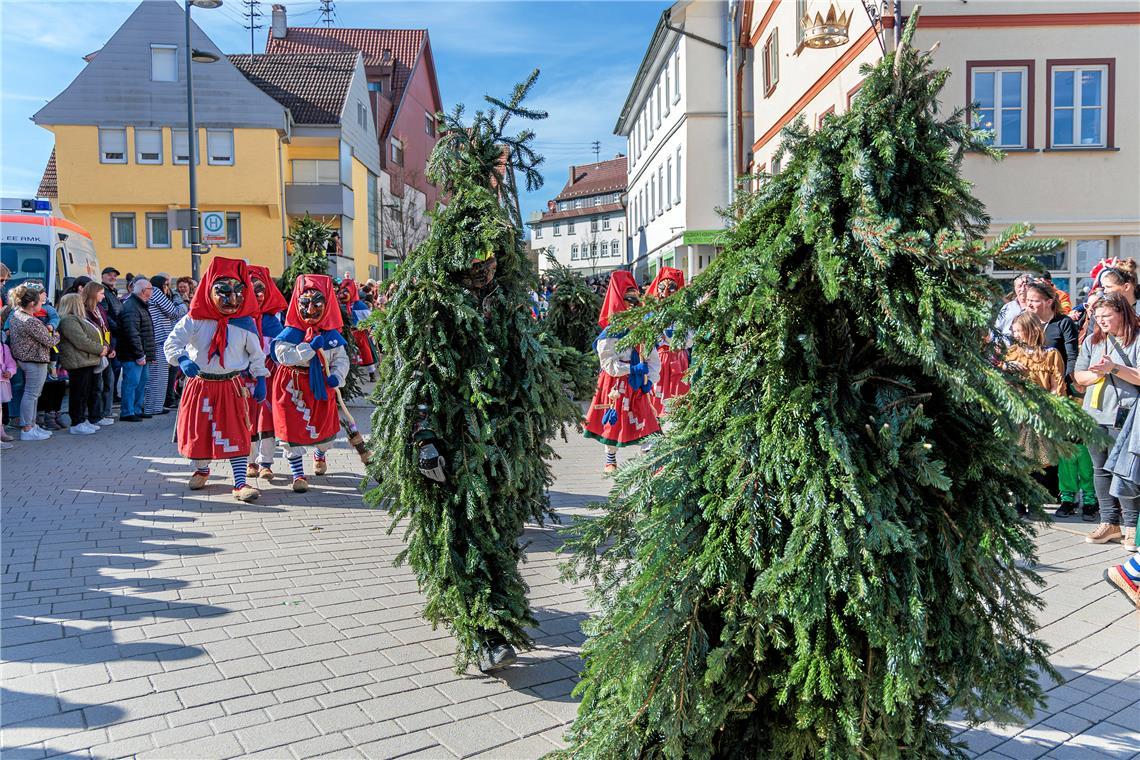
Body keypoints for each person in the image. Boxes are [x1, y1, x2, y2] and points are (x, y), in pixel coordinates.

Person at [163, 257, 267, 502]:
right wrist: (182, 359)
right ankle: (201, 469)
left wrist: (260, 377)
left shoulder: (245, 322)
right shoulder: (195, 319)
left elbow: (256, 354)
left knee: (236, 432)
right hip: (200, 385)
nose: (232, 300)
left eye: (238, 293)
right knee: (200, 431)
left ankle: (241, 483)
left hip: (231, 385)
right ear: (210, 291)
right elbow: (172, 342)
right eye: (224, 292)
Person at [1073, 292, 1140, 549]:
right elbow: (1079, 376)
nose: (1101, 320)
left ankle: (1132, 526)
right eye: (1097, 316)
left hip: (1126, 414)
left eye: (1107, 315)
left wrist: (1113, 368)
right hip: (1095, 413)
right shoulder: (1092, 340)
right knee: (1099, 469)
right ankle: (1109, 522)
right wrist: (1097, 373)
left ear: (1122, 312)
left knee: (1125, 470)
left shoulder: (1136, 339)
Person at [271, 275, 349, 492]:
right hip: (291, 385)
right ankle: (297, 474)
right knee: (289, 429)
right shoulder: (290, 332)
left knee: (322, 430)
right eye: (305, 303)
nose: (311, 308)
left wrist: (337, 375)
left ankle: (320, 454)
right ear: (297, 303)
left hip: (320, 385)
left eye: (317, 303)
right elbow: (282, 355)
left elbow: (341, 359)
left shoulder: (331, 335)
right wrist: (308, 349)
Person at [584, 270, 661, 472]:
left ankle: (650, 458)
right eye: (628, 300)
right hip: (616, 383)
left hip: (638, 381)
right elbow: (607, 363)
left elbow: (653, 357)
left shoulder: (643, 328)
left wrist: (650, 379)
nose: (633, 305)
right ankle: (610, 458)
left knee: (646, 417)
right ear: (620, 301)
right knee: (615, 419)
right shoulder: (610, 333)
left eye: (636, 300)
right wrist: (631, 368)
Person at [246, 265, 287, 480]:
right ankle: (249, 461)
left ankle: (266, 462)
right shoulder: (239, 318)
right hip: (244, 375)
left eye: (261, 290)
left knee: (267, 419)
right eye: (253, 290)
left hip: (269, 374)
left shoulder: (272, 320)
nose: (258, 295)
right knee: (247, 419)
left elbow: (280, 346)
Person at [7, 285, 60, 440]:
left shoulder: (16, 315)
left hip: (25, 359)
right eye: (39, 303)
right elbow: (49, 341)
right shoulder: (31, 321)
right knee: (31, 394)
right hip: (34, 360)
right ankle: (27, 428)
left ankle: (32, 425)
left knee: (32, 394)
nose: (41, 305)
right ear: (32, 304)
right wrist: (56, 335)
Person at [57, 292, 107, 435]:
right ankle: (76, 422)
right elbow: (81, 341)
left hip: (86, 361)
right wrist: (100, 349)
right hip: (78, 362)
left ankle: (82, 419)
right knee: (78, 394)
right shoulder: (68, 320)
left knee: (85, 393)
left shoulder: (80, 319)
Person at [645, 266, 690, 416]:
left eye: (671, 288)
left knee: (678, 395)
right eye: (662, 287)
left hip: (678, 359)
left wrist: (672, 340)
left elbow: (690, 338)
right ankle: (655, 423)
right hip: (658, 359)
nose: (665, 292)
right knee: (656, 395)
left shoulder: (683, 312)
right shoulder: (652, 312)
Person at [144, 275, 188, 416]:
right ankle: (154, 407)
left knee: (156, 377)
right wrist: (182, 303)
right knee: (158, 377)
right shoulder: (157, 292)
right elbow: (174, 312)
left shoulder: (151, 294)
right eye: (166, 285)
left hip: (156, 339)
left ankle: (154, 406)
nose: (167, 289)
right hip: (159, 340)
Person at [116, 277, 154, 422]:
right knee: (131, 383)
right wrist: (139, 354)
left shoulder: (140, 305)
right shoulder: (132, 307)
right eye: (151, 289)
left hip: (141, 353)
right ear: (144, 291)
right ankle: (127, 412)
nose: (152, 291)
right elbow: (132, 333)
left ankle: (137, 409)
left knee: (141, 382)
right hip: (133, 355)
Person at [82, 281, 116, 426]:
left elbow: (106, 329)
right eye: (101, 293)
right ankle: (94, 416)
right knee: (95, 386)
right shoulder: (84, 310)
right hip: (94, 352)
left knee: (108, 382)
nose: (103, 296)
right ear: (93, 294)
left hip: (105, 350)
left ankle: (102, 413)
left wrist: (110, 347)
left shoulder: (100, 308)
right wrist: (101, 348)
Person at [336, 276, 377, 381]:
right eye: (342, 291)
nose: (342, 294)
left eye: (346, 292)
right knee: (345, 353)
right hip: (344, 332)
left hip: (359, 331)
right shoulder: (340, 305)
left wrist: (371, 329)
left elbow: (370, 319)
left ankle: (371, 373)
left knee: (365, 352)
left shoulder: (359, 305)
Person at [994, 273, 1030, 341]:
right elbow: (997, 330)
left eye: (1025, 286)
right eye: (1019, 286)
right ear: (1015, 288)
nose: (1022, 289)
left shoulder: (1035, 308)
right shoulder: (1007, 308)